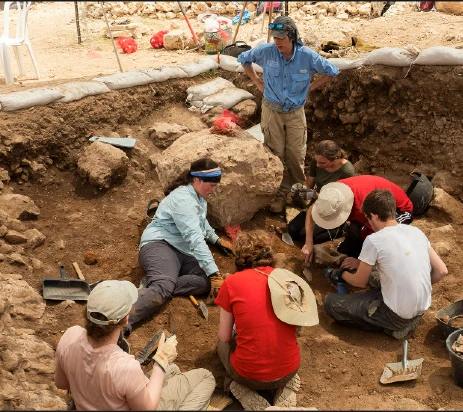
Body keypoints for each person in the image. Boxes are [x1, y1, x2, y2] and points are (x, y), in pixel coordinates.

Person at [54, 280, 216, 410]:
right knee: (205, 377)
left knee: (174, 370)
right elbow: (148, 408)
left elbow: (61, 383)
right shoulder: (125, 367)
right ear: (126, 319)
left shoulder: (71, 336)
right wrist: (161, 361)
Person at [237, 15, 340, 213]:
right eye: (274, 38)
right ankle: (280, 195)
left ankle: (299, 193)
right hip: (271, 111)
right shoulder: (267, 52)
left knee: (296, 154)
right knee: (276, 153)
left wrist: (310, 87)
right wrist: (257, 81)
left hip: (295, 112)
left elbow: (332, 71)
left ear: (292, 36)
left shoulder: (307, 56)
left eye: (281, 38)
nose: (277, 42)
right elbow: (244, 59)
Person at [124, 158, 232, 336]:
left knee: (206, 282)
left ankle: (160, 282)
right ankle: (120, 322)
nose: (213, 190)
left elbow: (201, 223)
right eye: (212, 185)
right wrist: (215, 273)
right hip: (160, 244)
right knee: (164, 288)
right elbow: (195, 238)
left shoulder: (199, 196)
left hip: (182, 251)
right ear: (198, 180)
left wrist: (216, 240)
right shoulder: (183, 200)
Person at [323, 189, 448, 339]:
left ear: (374, 216)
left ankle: (393, 327)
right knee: (377, 275)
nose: (368, 223)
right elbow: (441, 271)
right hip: (421, 308)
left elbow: (359, 282)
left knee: (330, 303)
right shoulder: (416, 232)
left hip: (396, 316)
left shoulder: (374, 240)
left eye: (367, 219)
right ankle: (409, 316)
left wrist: (340, 274)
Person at [215, 231, 318, 410]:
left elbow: (224, 336)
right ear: (269, 254)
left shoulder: (232, 283)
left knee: (221, 345)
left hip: (248, 376)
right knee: (288, 342)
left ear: (240, 257)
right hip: (289, 369)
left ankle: (238, 388)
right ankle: (283, 388)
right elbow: (297, 324)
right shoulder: (287, 279)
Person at [302, 175, 413, 265]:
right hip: (366, 213)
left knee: (381, 258)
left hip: (398, 210)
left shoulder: (365, 208)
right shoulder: (333, 195)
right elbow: (311, 211)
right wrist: (308, 243)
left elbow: (381, 235)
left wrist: (360, 262)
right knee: (346, 252)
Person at [286, 140, 355, 242]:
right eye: (317, 161)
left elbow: (341, 203)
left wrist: (314, 195)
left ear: (335, 159)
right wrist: (301, 189)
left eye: (322, 163)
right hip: (316, 205)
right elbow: (309, 184)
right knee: (292, 230)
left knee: (305, 235)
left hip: (333, 211)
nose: (318, 165)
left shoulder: (347, 171)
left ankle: (341, 229)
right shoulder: (317, 161)